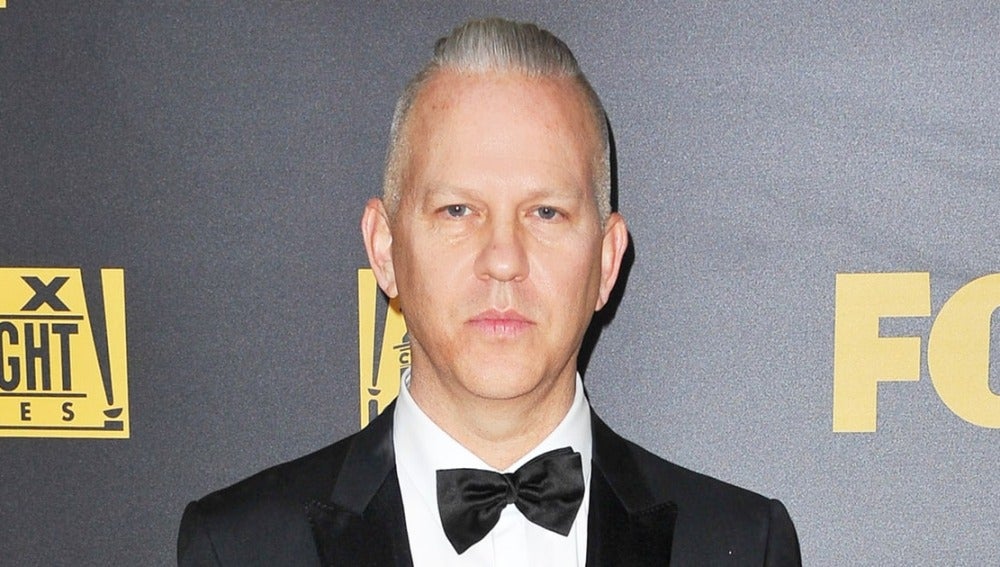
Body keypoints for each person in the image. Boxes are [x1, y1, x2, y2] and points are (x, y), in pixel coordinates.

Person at [177, 18, 801, 566]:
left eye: (546, 213)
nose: (503, 260)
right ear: (386, 250)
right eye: (458, 210)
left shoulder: (742, 547)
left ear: (607, 261)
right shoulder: (239, 549)